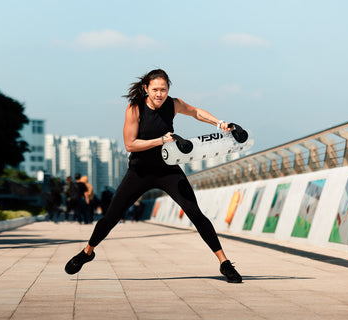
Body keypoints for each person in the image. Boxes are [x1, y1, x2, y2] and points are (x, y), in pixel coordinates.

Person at [65, 69, 242, 283]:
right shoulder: (135, 108)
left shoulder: (173, 104)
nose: (160, 94)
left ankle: (224, 263)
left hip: (168, 169)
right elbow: (130, 144)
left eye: (163, 90)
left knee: (196, 214)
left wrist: (219, 123)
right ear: (146, 89)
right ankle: (87, 252)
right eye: (155, 89)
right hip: (139, 172)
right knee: (111, 217)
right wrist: (161, 140)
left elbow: (196, 112)